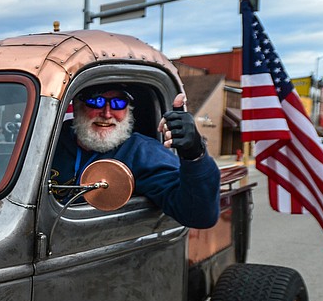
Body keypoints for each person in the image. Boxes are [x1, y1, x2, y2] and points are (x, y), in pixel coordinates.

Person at [50, 86, 219, 229]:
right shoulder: (51, 141)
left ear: (128, 110)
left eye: (118, 103)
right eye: (96, 101)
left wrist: (194, 153)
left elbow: (198, 215)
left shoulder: (142, 153)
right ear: (78, 105)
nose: (107, 113)